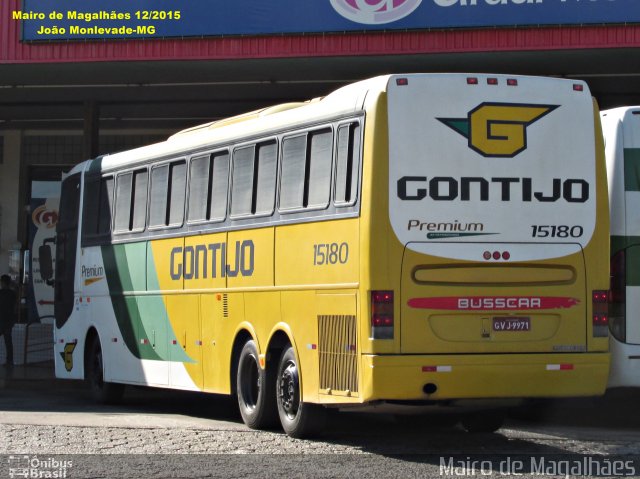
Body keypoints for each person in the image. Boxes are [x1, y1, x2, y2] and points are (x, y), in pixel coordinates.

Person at [0, 274, 17, 367]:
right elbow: (14, 308)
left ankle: (9, 361)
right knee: (8, 342)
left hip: (1, 320)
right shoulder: (12, 294)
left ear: (3, 282)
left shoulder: (1, 293)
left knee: (8, 342)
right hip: (8, 321)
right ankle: (9, 361)